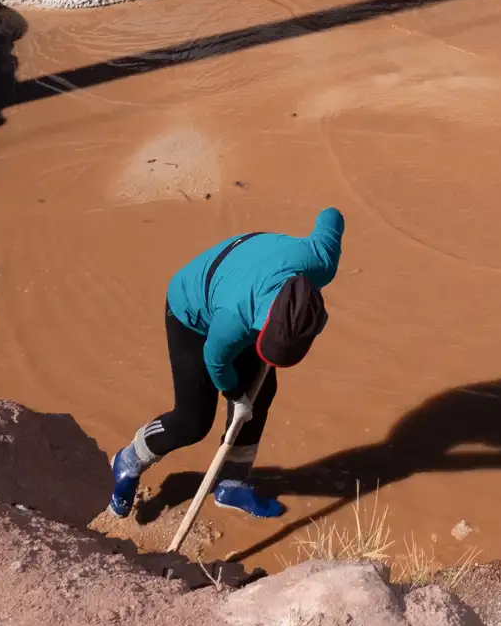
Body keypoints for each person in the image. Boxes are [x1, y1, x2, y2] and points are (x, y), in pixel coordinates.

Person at [109, 209, 345, 521]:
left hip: (247, 272)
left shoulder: (321, 260)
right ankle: (129, 460)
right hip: (193, 306)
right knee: (193, 421)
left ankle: (232, 484)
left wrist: (247, 401)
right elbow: (215, 360)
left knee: (259, 396)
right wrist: (235, 395)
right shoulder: (235, 319)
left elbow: (331, 216)